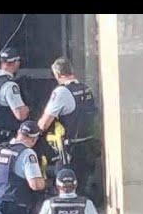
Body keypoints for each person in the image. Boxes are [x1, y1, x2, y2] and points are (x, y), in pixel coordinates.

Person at [36, 57, 100, 201]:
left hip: (71, 151)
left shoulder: (62, 92)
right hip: (89, 147)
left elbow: (44, 124)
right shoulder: (85, 88)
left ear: (58, 75)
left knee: (66, 192)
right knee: (82, 190)